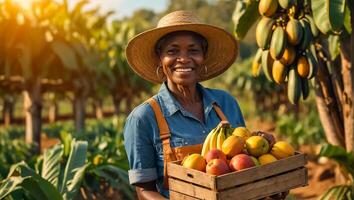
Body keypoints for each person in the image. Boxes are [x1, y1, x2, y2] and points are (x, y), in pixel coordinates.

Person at [123, 10, 284, 200]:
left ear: (204, 56)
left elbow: (242, 166)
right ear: (160, 58)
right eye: (172, 51)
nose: (183, 58)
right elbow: (144, 191)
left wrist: (270, 178)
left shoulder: (226, 103)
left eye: (193, 50)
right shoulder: (144, 117)